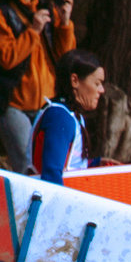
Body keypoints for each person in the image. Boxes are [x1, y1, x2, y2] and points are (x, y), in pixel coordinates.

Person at [0, 0, 74, 173]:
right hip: (14, 104)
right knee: (27, 166)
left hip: (47, 103)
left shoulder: (48, 9)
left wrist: (64, 23)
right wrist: (33, 30)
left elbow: (66, 59)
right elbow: (6, 58)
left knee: (52, 163)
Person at [31, 48, 106, 182]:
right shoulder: (59, 117)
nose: (102, 90)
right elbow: (51, 175)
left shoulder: (72, 115)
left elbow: (69, 165)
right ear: (75, 81)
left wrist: (95, 163)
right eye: (97, 83)